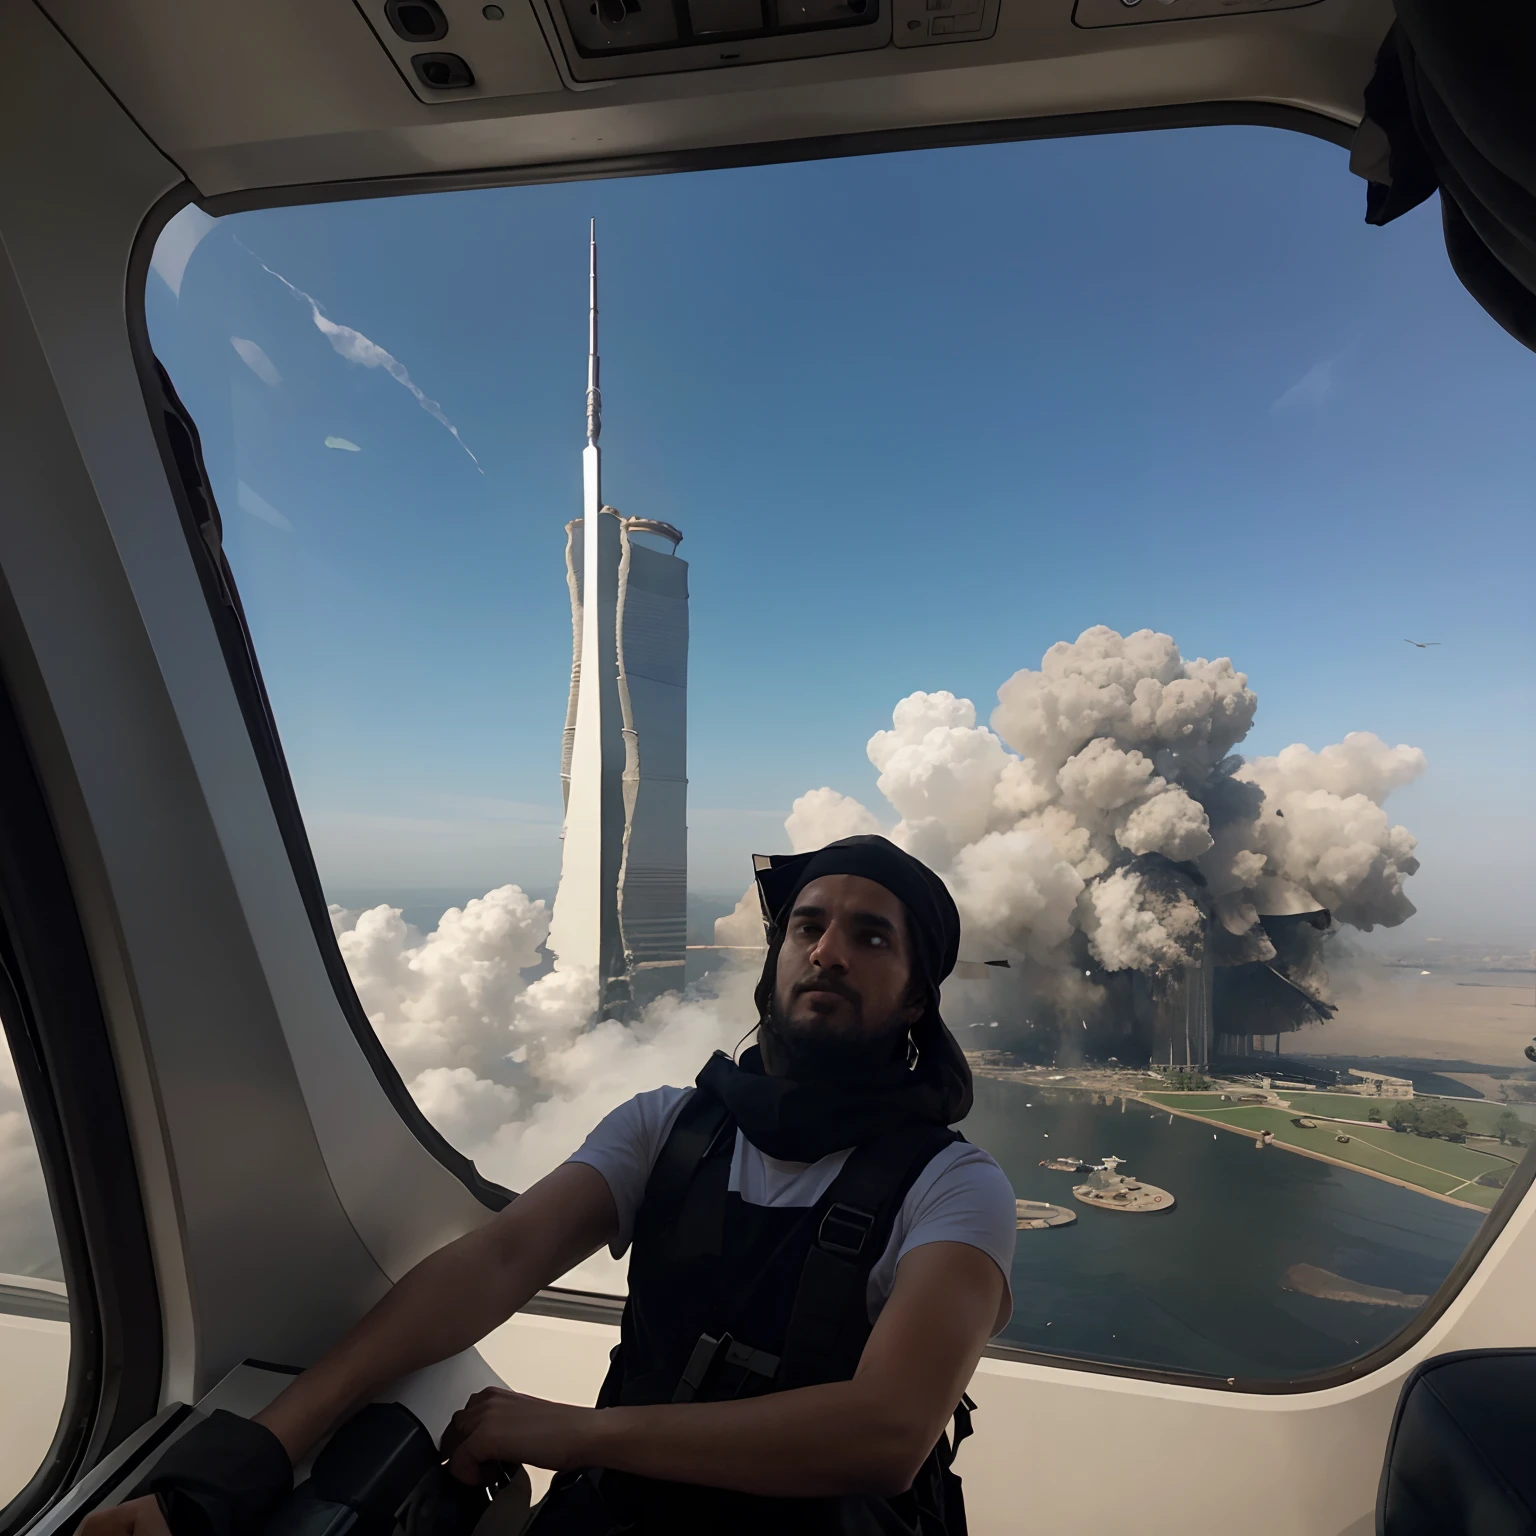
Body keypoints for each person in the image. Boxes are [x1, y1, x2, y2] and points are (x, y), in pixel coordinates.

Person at [87, 836, 1015, 1536]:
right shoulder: (670, 1129)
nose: (827, 953)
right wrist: (253, 1456)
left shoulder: (955, 1189)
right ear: (775, 964)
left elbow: (887, 1434)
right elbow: (495, 1261)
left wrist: (577, 1435)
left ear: (917, 996)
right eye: (807, 927)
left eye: (871, 936)